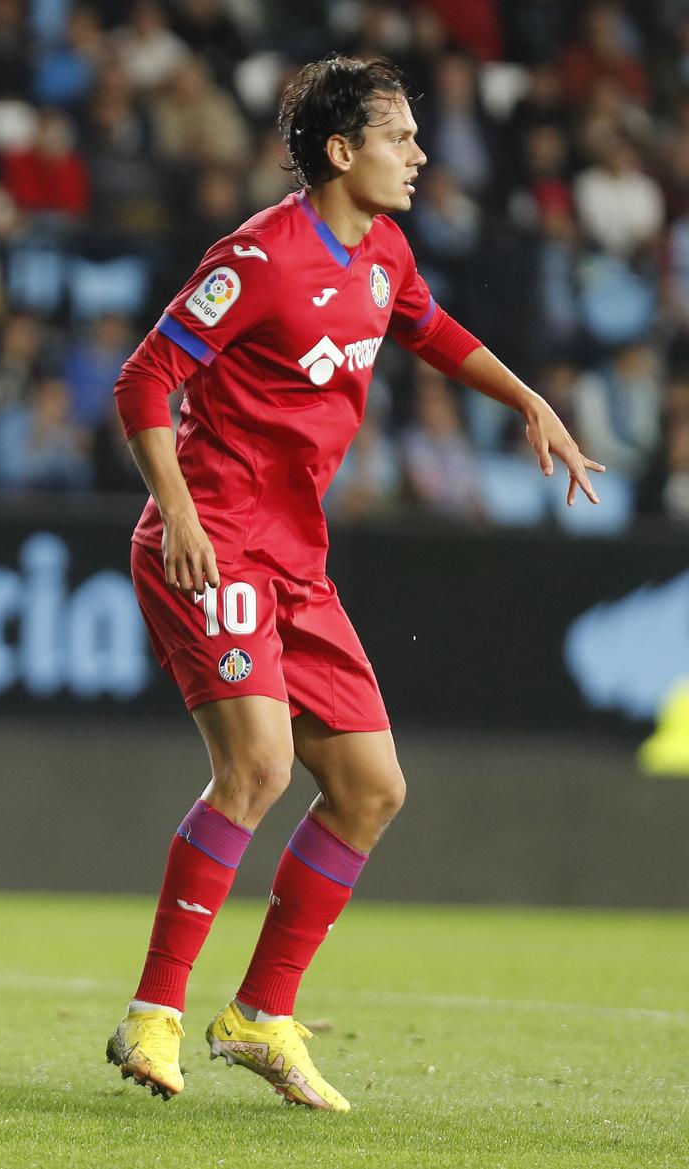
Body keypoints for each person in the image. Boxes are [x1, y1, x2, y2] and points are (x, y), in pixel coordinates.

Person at [102, 56, 602, 1110]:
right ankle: (152, 1010)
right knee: (257, 767)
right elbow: (144, 376)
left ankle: (257, 1015)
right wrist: (180, 514)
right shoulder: (258, 255)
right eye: (398, 136)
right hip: (213, 540)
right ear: (340, 150)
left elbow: (428, 328)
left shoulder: (381, 249)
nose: (419, 154)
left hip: (294, 556)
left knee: (371, 789)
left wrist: (526, 400)